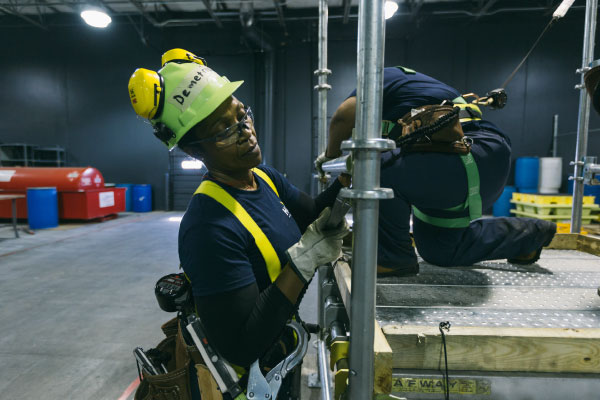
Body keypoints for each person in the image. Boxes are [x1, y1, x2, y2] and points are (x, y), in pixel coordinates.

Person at [128, 49, 349, 399]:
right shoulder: (208, 227)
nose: (245, 131)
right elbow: (241, 345)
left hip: (278, 360)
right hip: (248, 385)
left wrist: (348, 178)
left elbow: (313, 213)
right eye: (224, 129)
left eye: (241, 113)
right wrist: (304, 262)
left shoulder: (264, 177)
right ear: (194, 151)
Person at [315, 66, 556, 276]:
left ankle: (392, 258)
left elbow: (343, 117)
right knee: (441, 249)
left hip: (470, 151)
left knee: (377, 167)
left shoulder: (383, 76)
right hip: (474, 165)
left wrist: (330, 156)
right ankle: (530, 236)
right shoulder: (407, 99)